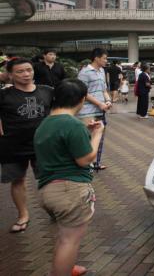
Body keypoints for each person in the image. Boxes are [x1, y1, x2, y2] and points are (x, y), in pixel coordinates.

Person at [35, 79, 104, 276]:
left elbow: (61, 147)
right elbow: (85, 160)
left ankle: (66, 267)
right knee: (69, 240)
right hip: (69, 191)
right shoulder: (73, 125)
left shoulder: (45, 123)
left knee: (64, 237)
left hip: (47, 189)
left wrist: (85, 133)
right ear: (82, 100)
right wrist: (97, 134)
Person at [0, 58, 53, 233]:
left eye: (29, 70)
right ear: (10, 75)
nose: (26, 74)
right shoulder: (4, 95)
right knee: (18, 180)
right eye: (20, 71)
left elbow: (62, 110)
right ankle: (23, 215)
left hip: (42, 144)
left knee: (48, 179)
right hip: (12, 145)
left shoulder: (47, 91)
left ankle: (53, 210)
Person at [77, 49, 111, 170]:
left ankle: (96, 162)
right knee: (87, 138)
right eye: (105, 58)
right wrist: (100, 104)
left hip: (100, 110)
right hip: (87, 111)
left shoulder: (102, 71)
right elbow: (83, 92)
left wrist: (108, 101)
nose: (106, 61)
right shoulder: (84, 72)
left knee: (98, 137)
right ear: (96, 58)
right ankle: (87, 165)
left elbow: (104, 90)